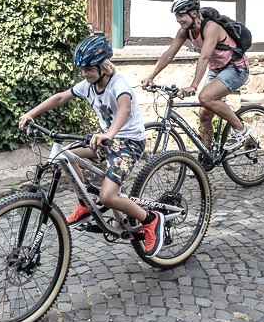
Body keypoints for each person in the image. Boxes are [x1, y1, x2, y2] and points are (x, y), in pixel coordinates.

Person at [17, 33, 163, 257]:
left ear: (103, 67)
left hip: (128, 143)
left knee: (108, 197)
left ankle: (151, 220)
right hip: (105, 139)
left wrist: (109, 133)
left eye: (88, 69)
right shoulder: (88, 85)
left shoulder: (118, 84)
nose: (84, 74)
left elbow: (124, 109)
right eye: (82, 70)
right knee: (65, 155)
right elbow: (60, 98)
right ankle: (85, 203)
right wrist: (31, 113)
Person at [143, 0, 252, 154]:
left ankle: (241, 129)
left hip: (236, 69)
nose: (178, 20)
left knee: (205, 97)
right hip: (216, 70)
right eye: (176, 16)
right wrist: (151, 76)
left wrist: (193, 86)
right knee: (204, 114)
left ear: (194, 13)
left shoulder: (211, 28)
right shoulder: (185, 31)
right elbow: (169, 54)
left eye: (181, 15)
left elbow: (204, 57)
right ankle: (206, 154)